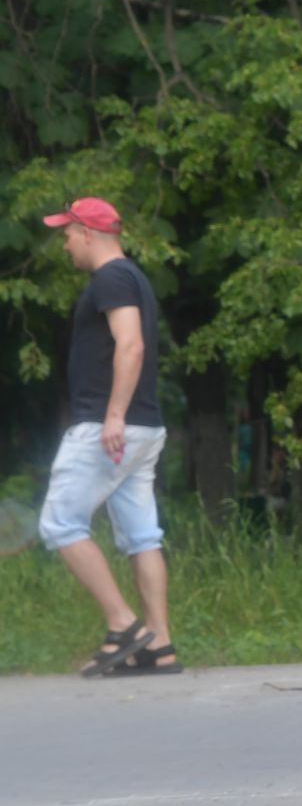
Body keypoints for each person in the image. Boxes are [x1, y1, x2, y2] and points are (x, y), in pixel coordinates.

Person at [39, 197, 181, 678]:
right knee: (143, 536)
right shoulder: (133, 277)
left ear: (87, 233)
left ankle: (123, 625)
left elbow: (131, 343)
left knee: (60, 524)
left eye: (67, 233)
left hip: (110, 428)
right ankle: (160, 646)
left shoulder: (112, 279)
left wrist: (113, 415)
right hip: (143, 428)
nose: (64, 243)